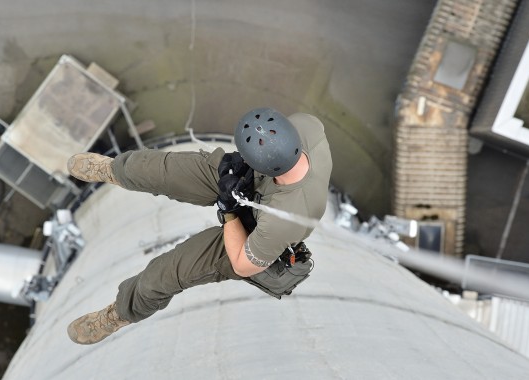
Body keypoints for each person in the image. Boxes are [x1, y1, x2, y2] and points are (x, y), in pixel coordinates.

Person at [66, 108, 332, 345]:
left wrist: (229, 210)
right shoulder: (306, 126)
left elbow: (242, 264)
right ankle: (115, 170)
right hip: (252, 179)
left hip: (248, 235)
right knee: (161, 169)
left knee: (164, 275)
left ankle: (120, 313)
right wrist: (241, 168)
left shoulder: (283, 221)